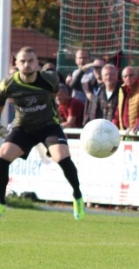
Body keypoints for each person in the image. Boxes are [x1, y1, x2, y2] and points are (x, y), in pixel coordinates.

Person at [0, 47, 86, 220]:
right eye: (22, 61)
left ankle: (77, 196)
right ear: (16, 64)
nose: (27, 65)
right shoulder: (8, 83)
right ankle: (1, 202)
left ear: (37, 63)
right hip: (23, 128)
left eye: (31, 61)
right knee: (3, 157)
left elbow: (55, 97)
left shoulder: (50, 79)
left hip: (49, 126)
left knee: (62, 157)